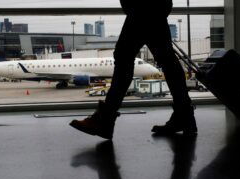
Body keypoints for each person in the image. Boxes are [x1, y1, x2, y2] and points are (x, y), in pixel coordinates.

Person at [70, 0, 197, 139]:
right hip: (150, 8)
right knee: (166, 60)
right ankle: (184, 116)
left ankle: (104, 121)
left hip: (142, 8)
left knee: (124, 58)